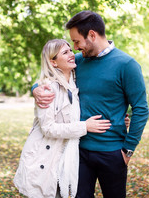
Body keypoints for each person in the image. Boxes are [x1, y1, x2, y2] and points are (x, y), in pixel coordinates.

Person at [33, 11, 149, 197]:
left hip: (112, 153)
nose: (75, 48)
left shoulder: (127, 65)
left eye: (77, 42)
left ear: (92, 35)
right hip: (78, 151)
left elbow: (141, 109)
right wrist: (36, 89)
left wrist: (128, 150)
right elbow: (50, 74)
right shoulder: (78, 62)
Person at [14, 39, 129, 198]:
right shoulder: (47, 89)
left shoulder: (74, 81)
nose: (72, 55)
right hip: (44, 160)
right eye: (65, 52)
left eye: (70, 50)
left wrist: (117, 119)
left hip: (66, 159)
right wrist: (85, 127)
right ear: (53, 63)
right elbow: (48, 128)